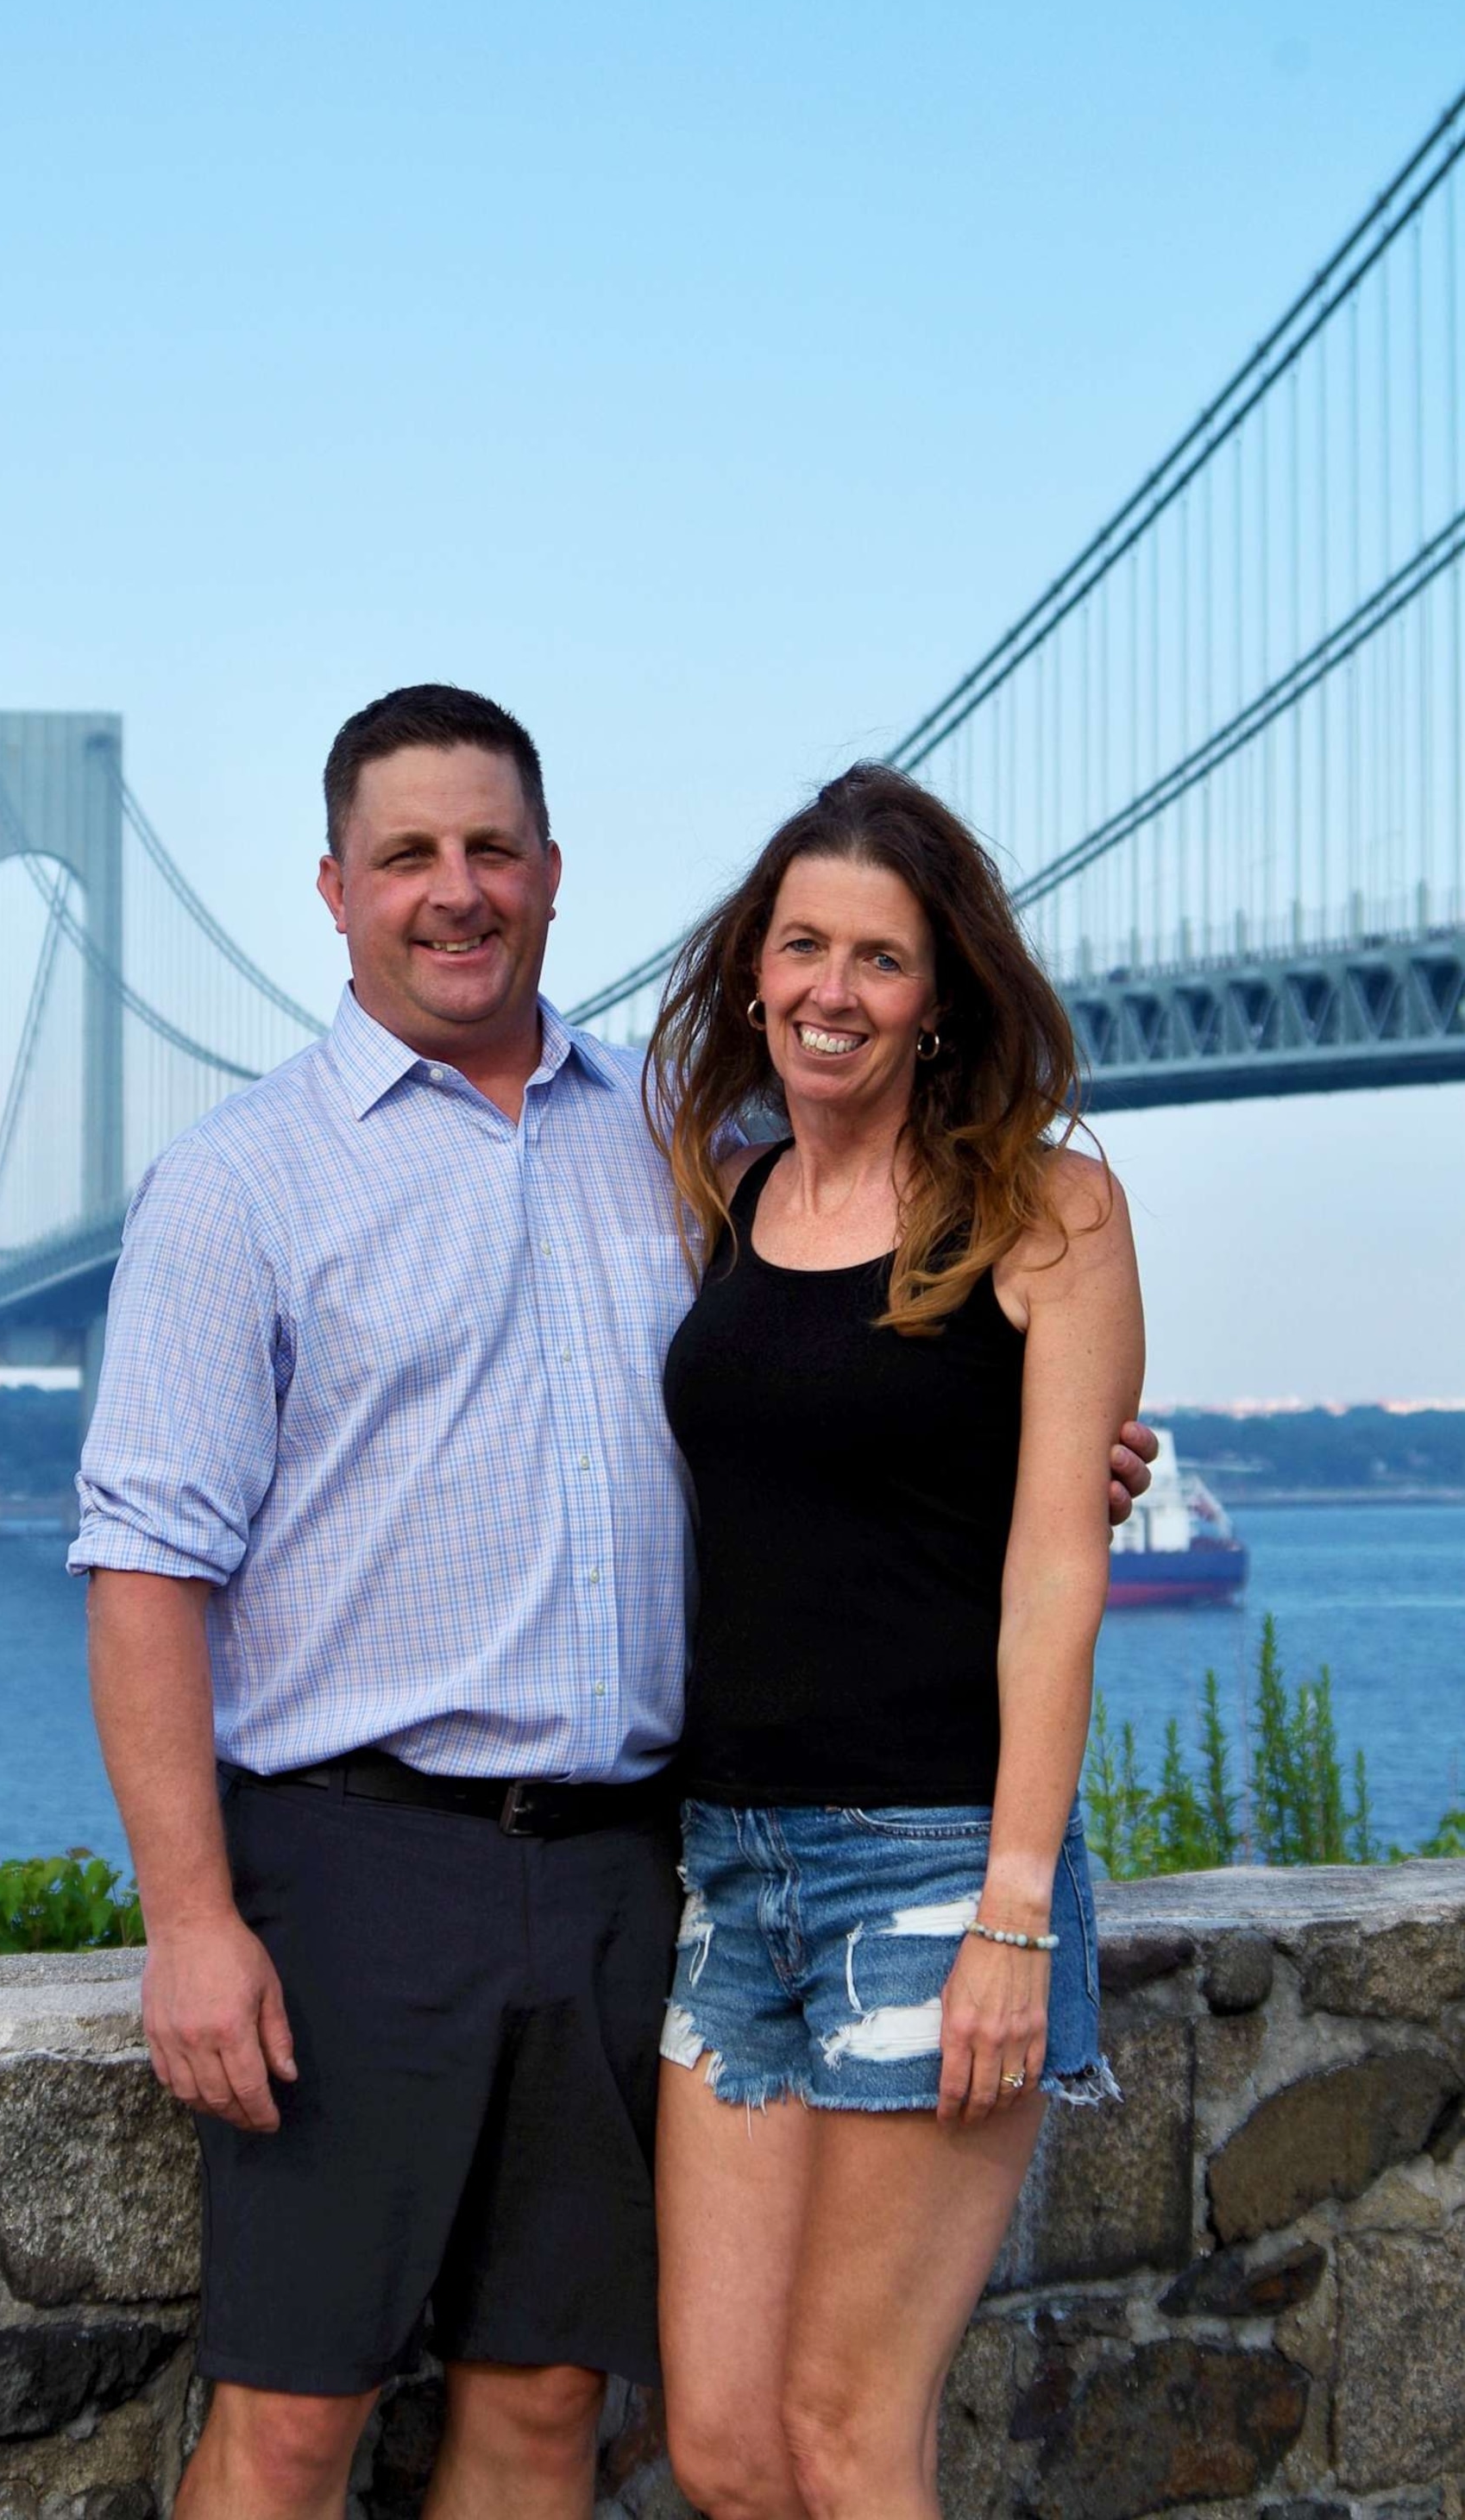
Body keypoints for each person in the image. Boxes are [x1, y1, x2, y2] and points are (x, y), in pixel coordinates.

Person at [70, 687, 1154, 2520]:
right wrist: (189, 1916)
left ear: (555, 877)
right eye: (407, 854)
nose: (456, 890)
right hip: (373, 1870)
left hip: (635, 1871)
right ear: (331, 889)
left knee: (555, 2404)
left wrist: (1054, 1452)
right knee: (302, 2423)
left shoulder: (668, 1151)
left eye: (492, 848)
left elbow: (890, 1403)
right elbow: (140, 1565)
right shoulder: (240, 1182)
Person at [645, 763, 1145, 2520]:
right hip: (734, 1866)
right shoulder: (728, 1198)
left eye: (878, 959)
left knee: (850, 2440)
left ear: (941, 1001)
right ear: (753, 966)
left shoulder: (1047, 1212)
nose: (829, 992)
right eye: (801, 947)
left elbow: (1052, 1574)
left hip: (933, 1872)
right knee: (723, 2449)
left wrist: (1015, 1912)